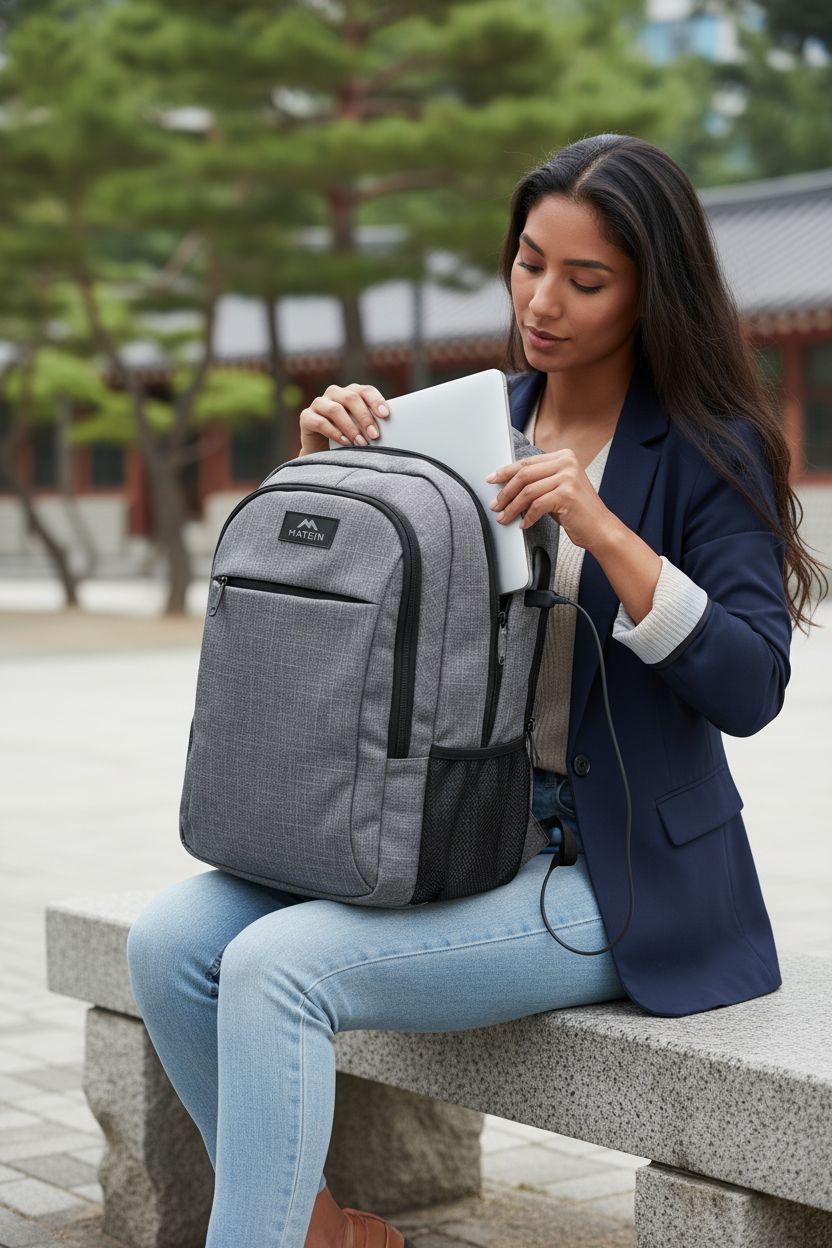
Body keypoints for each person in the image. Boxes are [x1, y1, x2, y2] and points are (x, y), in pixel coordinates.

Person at [126, 133, 827, 1248]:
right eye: (527, 262)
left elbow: (753, 684)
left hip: (615, 870)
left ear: (654, 292)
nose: (541, 301)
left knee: (274, 971)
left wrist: (602, 529)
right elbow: (361, 630)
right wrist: (334, 471)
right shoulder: (459, 423)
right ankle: (311, 1231)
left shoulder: (709, 449)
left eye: (585, 280)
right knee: (168, 941)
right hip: (440, 828)